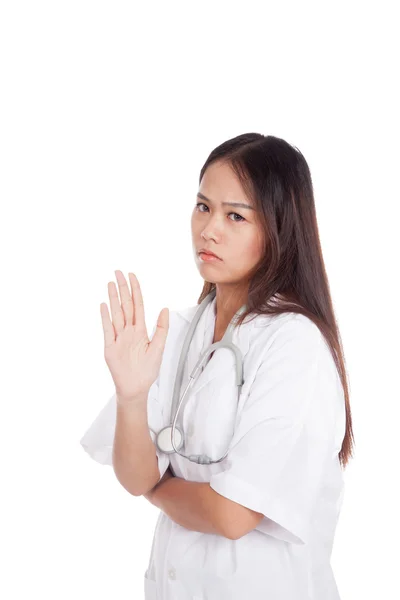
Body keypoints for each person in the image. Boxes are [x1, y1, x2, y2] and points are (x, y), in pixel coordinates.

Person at [80, 133, 354, 600]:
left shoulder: (295, 346)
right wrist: (132, 397)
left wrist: (158, 488)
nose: (209, 230)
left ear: (279, 228)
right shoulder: (183, 331)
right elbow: (131, 473)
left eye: (235, 216)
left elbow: (233, 515)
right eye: (203, 206)